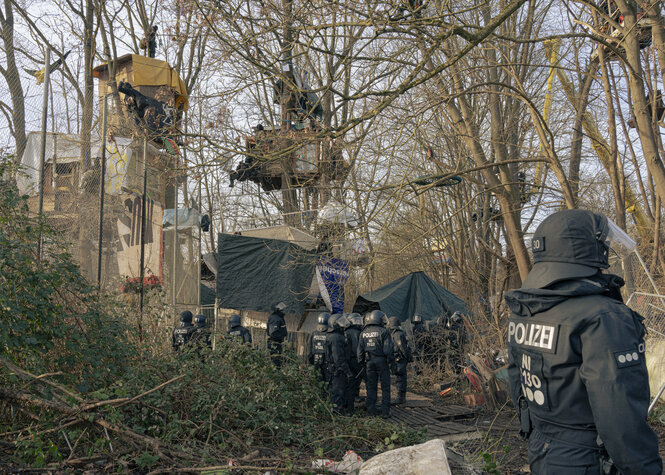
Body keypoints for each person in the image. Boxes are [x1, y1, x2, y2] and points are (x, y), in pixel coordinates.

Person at [505, 209, 662, 475]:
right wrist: (645, 468)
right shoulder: (603, 316)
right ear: (586, 251)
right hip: (588, 459)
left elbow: (517, 384)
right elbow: (619, 414)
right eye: (603, 245)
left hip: (542, 450)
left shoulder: (526, 309)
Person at [357, 309, 394, 418]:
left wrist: (362, 364)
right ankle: (385, 412)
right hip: (382, 362)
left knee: (371, 387)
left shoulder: (363, 333)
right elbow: (388, 350)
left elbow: (359, 352)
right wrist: (391, 363)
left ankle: (371, 411)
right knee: (385, 387)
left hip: (369, 362)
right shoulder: (384, 331)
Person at [326, 314, 353, 414]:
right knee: (338, 391)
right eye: (340, 322)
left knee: (336, 391)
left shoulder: (334, 336)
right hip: (338, 369)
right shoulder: (336, 337)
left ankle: (337, 410)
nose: (343, 325)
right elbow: (338, 357)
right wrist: (347, 371)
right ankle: (337, 412)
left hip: (334, 367)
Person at [388, 317, 413, 405]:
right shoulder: (398, 334)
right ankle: (400, 398)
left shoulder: (392, 334)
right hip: (400, 359)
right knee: (401, 379)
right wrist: (408, 357)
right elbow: (402, 347)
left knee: (400, 378)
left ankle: (401, 398)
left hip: (397, 359)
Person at [343, 312, 363, 413]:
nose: (358, 322)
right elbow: (357, 348)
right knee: (355, 380)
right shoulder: (356, 333)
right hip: (354, 360)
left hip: (346, 360)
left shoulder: (345, 332)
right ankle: (354, 399)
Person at [307, 312, 330, 384]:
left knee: (317, 380)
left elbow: (309, 348)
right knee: (327, 381)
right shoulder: (329, 335)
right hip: (327, 361)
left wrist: (311, 361)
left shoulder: (313, 334)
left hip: (316, 360)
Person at [266, 301, 288, 368]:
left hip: (278, 342)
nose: (282, 310)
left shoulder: (279, 317)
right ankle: (275, 375)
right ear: (277, 309)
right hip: (274, 343)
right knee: (276, 362)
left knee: (279, 360)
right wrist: (281, 338)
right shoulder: (275, 318)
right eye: (280, 308)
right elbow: (273, 333)